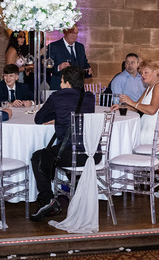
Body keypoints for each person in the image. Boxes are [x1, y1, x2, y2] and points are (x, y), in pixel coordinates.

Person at [30, 66, 96, 222]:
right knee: (56, 153)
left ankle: (48, 200)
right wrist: (61, 117)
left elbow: (39, 118)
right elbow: (79, 118)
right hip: (93, 153)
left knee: (38, 157)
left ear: (67, 82)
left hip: (72, 154)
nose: (60, 84)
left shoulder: (57, 97)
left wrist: (58, 115)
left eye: (61, 81)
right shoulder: (90, 97)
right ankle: (79, 188)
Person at [112, 59, 159, 144]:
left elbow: (152, 110)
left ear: (155, 72)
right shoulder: (149, 87)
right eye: (141, 73)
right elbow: (138, 108)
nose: (142, 75)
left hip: (155, 133)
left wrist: (131, 102)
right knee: (122, 135)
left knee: (122, 137)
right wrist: (121, 107)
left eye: (146, 72)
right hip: (149, 128)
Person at [47, 25, 91, 90]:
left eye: (76, 33)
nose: (74, 36)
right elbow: (47, 68)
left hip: (78, 90)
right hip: (59, 89)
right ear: (65, 33)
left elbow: (84, 64)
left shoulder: (80, 47)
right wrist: (59, 67)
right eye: (72, 33)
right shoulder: (54, 46)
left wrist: (88, 71)